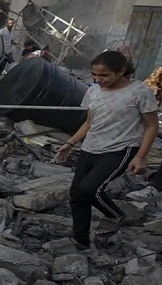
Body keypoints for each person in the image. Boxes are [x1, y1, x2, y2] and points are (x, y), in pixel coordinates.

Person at [54, 51, 158, 249]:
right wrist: (70, 143)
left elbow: (152, 126)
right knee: (77, 194)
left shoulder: (139, 92)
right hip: (90, 148)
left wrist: (141, 156)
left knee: (89, 189)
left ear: (121, 72)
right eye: (94, 74)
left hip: (120, 149)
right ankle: (81, 240)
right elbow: (89, 123)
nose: (97, 79)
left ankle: (115, 214)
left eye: (103, 75)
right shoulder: (93, 91)